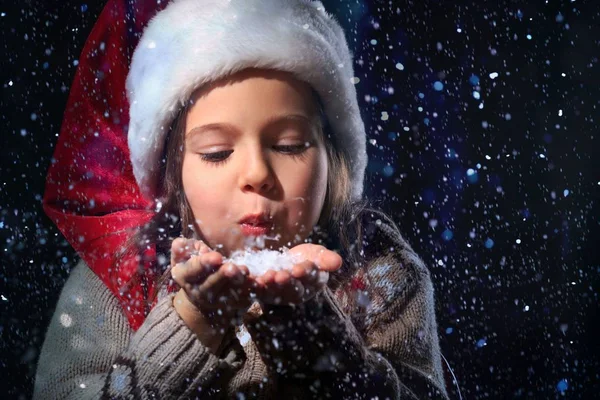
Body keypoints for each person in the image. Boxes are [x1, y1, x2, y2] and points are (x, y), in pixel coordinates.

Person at [34, 0, 449, 398]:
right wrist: (191, 322)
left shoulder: (380, 274)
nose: (256, 175)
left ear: (334, 157)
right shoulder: (120, 278)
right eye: (216, 153)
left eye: (288, 145)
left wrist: (314, 332)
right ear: (172, 172)